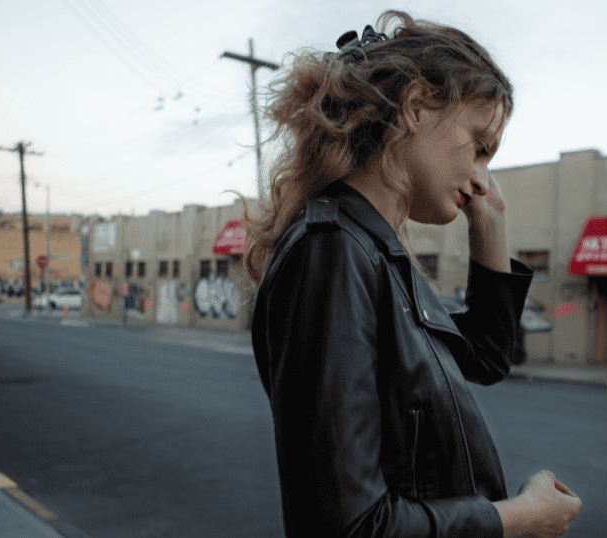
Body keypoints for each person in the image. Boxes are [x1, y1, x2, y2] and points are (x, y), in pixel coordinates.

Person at [246, 11, 582, 538]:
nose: (480, 176)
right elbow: (349, 527)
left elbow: (485, 356)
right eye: (479, 146)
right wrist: (519, 518)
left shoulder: (376, 252)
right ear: (417, 107)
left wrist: (489, 221)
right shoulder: (333, 252)